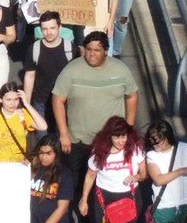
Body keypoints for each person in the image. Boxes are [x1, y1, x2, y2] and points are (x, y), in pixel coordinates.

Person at [50, 30, 139, 189]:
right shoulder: (72, 69)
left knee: (102, 183)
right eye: (88, 49)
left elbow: (132, 96)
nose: (91, 54)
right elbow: (58, 99)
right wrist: (64, 134)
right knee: (73, 183)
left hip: (110, 141)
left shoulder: (120, 70)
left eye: (97, 50)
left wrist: (128, 128)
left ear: (106, 51)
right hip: (78, 140)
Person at [78, 116, 145, 223]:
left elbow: (144, 174)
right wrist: (84, 199)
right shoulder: (99, 153)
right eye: (116, 137)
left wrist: (135, 176)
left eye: (123, 136)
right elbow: (90, 175)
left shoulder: (135, 149)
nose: (121, 141)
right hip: (104, 201)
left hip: (129, 199)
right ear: (109, 136)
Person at [142, 117, 187, 223]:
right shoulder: (151, 155)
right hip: (165, 208)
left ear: (167, 137)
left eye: (157, 141)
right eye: (151, 140)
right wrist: (182, 170)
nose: (154, 143)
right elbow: (158, 179)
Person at [0, 81, 46, 163]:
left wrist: (26, 104)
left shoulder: (23, 115)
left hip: (17, 165)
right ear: (1, 99)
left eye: (16, 99)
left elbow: (43, 126)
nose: (13, 103)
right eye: (9, 100)